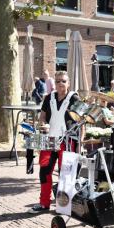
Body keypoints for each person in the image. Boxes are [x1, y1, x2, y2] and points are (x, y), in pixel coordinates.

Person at [28, 71, 81, 214]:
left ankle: (63, 206)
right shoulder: (48, 97)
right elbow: (42, 117)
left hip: (67, 141)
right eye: (57, 81)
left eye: (63, 81)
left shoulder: (74, 98)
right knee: (44, 172)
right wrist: (43, 124)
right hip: (49, 140)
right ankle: (44, 203)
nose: (60, 84)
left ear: (68, 83)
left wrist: (80, 141)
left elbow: (82, 120)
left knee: (66, 174)